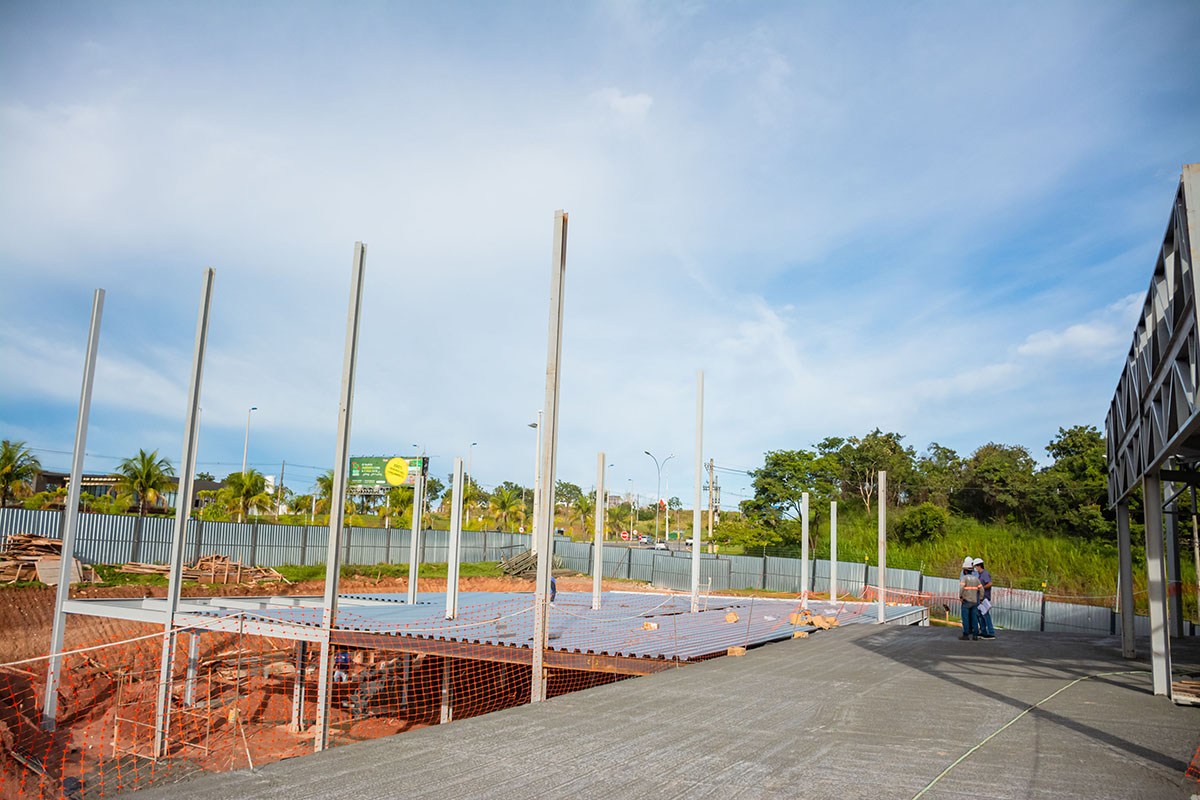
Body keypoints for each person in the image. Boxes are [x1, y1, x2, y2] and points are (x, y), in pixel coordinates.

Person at [959, 557, 982, 640]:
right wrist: (981, 598)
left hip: (966, 599)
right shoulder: (976, 577)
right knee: (974, 618)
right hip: (975, 599)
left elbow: (961, 587)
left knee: (965, 618)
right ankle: (975, 635)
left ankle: (966, 634)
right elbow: (981, 588)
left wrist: (961, 596)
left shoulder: (964, 577)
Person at [973, 558, 995, 639]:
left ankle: (991, 632)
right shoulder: (980, 574)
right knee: (979, 615)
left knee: (986, 615)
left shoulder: (985, 574)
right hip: (979, 598)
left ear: (979, 566)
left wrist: (982, 588)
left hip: (984, 598)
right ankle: (983, 631)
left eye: (976, 566)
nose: (975, 568)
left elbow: (990, 583)